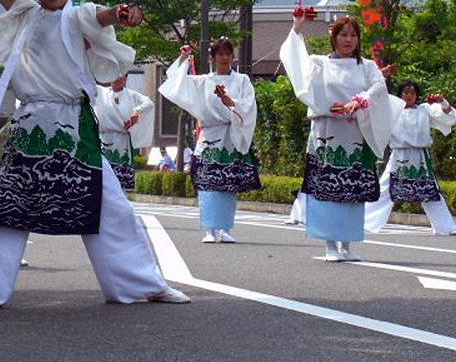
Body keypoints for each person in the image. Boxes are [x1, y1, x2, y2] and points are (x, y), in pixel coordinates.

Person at [0, 0, 189, 310]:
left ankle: (142, 285)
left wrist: (121, 15)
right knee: (3, 204)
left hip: (76, 126)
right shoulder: (25, 14)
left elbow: (102, 16)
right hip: (32, 124)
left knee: (110, 205)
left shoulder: (80, 15)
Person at [280, 13, 402, 262]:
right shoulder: (318, 63)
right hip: (327, 132)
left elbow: (379, 87)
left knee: (353, 190)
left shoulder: (366, 66)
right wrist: (297, 26)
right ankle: (330, 245)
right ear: (334, 37)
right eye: (343, 34)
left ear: (358, 39)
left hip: (355, 132)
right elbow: (294, 59)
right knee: (326, 190)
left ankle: (346, 244)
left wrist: (361, 100)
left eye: (353, 35)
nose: (348, 39)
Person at [160, 39, 260, 243]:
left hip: (231, 135)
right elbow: (176, 83)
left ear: (233, 57)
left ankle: (225, 228)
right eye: (220, 54)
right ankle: (209, 229)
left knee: (228, 184)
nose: (224, 58)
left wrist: (232, 103)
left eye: (227, 54)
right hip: (209, 135)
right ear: (213, 57)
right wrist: (184, 57)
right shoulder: (204, 81)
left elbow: (249, 105)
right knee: (208, 183)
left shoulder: (242, 80)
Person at [365, 81, 456, 235]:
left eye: (412, 93)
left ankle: (446, 227)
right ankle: (366, 221)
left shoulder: (425, 110)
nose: (408, 96)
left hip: (420, 156)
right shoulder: (393, 109)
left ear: (417, 95)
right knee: (386, 188)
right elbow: (375, 109)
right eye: (405, 92)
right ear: (400, 94)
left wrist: (442, 101)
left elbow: (449, 116)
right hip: (399, 156)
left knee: (430, 191)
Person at [95, 74, 154, 190]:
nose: (117, 79)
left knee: (120, 179)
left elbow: (149, 103)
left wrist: (137, 110)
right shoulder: (101, 92)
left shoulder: (131, 95)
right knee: (103, 175)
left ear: (125, 79)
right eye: (114, 75)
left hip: (122, 138)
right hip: (104, 138)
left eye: (120, 77)